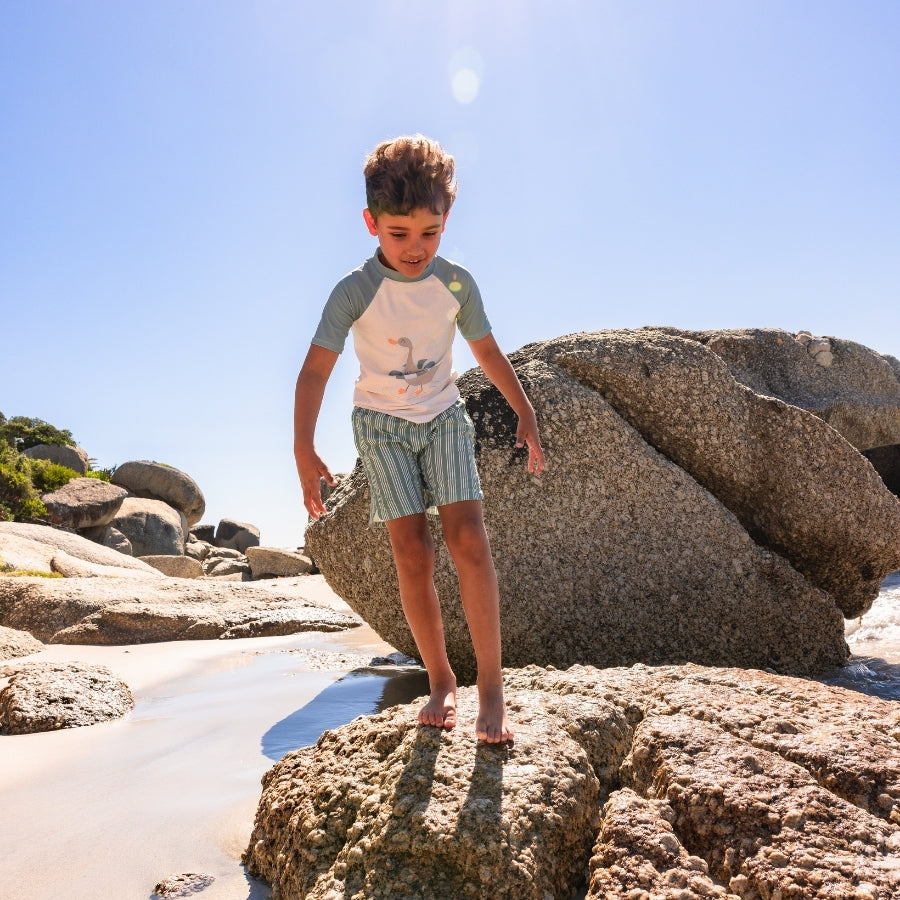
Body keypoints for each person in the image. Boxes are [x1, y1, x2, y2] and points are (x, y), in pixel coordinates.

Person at [293, 134, 544, 743]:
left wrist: (525, 411)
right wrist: (305, 449)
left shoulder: (456, 284)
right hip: (379, 426)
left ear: (446, 220)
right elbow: (315, 369)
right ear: (371, 223)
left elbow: (484, 349)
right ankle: (439, 680)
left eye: (429, 233)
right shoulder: (353, 291)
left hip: (443, 418)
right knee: (412, 551)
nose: (414, 248)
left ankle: (491, 688)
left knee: (469, 541)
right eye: (398, 233)